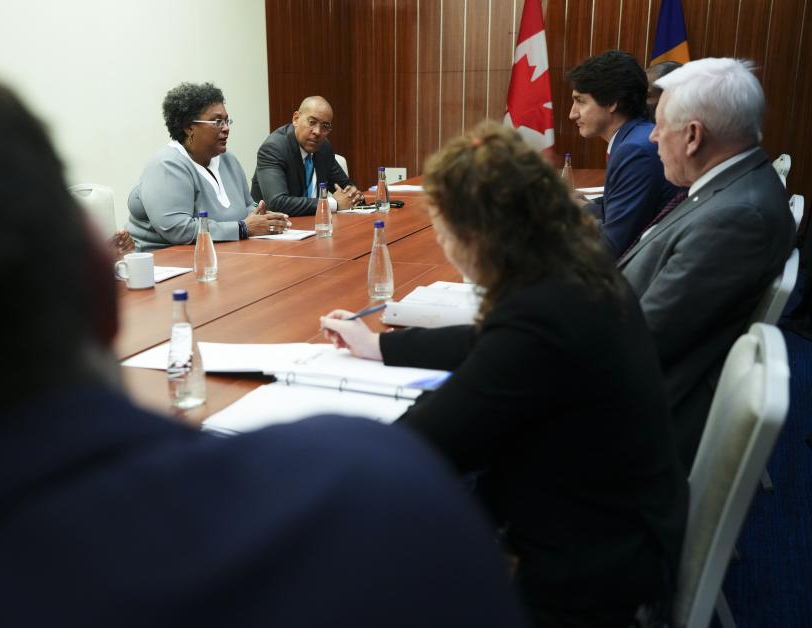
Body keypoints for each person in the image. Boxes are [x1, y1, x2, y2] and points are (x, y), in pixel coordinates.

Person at [0, 42, 531, 627]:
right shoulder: (385, 498)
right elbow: (201, 226)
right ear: (102, 283)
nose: (229, 130)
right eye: (219, 120)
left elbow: (238, 213)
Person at [321, 121, 687, 628]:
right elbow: (488, 346)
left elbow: (427, 443)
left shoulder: (542, 315)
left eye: (443, 230)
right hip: (617, 520)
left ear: (477, 236)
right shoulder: (575, 272)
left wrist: (313, 443)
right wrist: (380, 344)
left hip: (582, 575)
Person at [620, 58, 796, 468]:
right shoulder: (738, 185)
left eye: (660, 126)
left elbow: (639, 341)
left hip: (631, 419)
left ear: (694, 136)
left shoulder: (737, 219)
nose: (652, 138)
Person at [126, 82, 291, 250]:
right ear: (189, 128)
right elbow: (178, 229)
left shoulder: (228, 159)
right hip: (165, 261)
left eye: (227, 121)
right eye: (217, 122)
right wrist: (243, 228)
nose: (226, 128)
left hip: (223, 252)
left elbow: (247, 205)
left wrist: (262, 217)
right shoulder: (166, 166)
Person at [568, 50, 679, 257]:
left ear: (611, 103)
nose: (572, 113)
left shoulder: (636, 150)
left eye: (581, 101)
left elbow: (612, 245)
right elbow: (614, 206)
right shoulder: (634, 136)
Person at [251, 96, 364, 216]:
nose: (317, 132)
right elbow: (277, 203)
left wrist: (355, 196)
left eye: (325, 126)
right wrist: (331, 203)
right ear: (296, 119)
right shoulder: (273, 149)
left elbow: (347, 189)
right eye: (312, 122)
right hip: (274, 227)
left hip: (314, 224)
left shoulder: (323, 148)